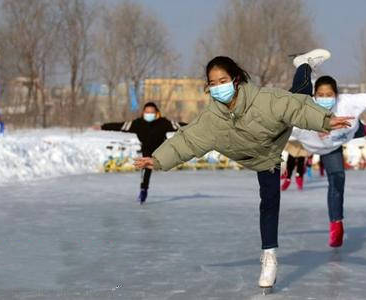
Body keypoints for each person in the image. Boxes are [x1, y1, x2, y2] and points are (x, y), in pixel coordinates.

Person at [134, 56, 353, 291]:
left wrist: (324, 120)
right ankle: (268, 254)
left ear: (235, 80)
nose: (218, 87)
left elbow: (296, 108)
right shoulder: (211, 119)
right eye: (213, 83)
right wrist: (157, 159)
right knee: (268, 197)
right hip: (256, 157)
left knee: (299, 94)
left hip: (272, 146)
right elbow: (187, 141)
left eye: (223, 80)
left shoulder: (264, 99)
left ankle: (304, 64)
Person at [288, 49, 366, 248]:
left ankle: (336, 224)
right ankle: (303, 66)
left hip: (334, 144)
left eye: (329, 95)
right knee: (296, 96)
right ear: (314, 96)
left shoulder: (347, 103)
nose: (325, 98)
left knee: (338, 179)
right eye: (320, 95)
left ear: (337, 96)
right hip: (312, 143)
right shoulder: (304, 112)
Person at [94, 102, 186, 204]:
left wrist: (197, 128)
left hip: (161, 149)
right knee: (146, 167)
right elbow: (120, 126)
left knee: (166, 162)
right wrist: (103, 126)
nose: (149, 114)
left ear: (156, 113)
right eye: (147, 112)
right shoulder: (138, 123)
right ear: (143, 112)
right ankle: (143, 190)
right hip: (147, 149)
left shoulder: (163, 122)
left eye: (152, 112)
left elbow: (180, 126)